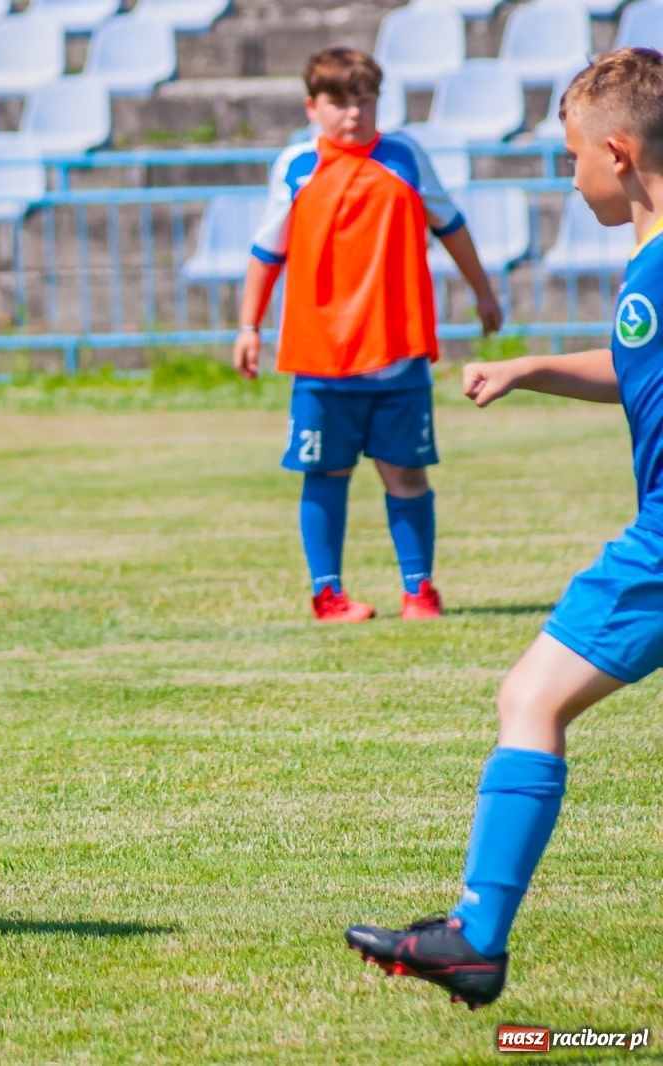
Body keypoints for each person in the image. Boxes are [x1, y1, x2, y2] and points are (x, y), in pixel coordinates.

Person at [344, 48, 663, 1008]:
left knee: (531, 696)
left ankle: (475, 938)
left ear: (618, 152)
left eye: (572, 159)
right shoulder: (647, 260)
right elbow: (633, 366)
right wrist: (528, 368)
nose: (569, 178)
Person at [233, 47, 503, 623]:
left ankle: (419, 591)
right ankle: (329, 596)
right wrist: (248, 326)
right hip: (321, 355)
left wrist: (482, 290)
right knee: (325, 471)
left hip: (397, 351)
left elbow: (449, 223)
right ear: (312, 106)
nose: (352, 114)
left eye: (364, 100)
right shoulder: (296, 166)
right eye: (337, 102)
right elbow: (267, 250)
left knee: (406, 471)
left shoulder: (405, 155)